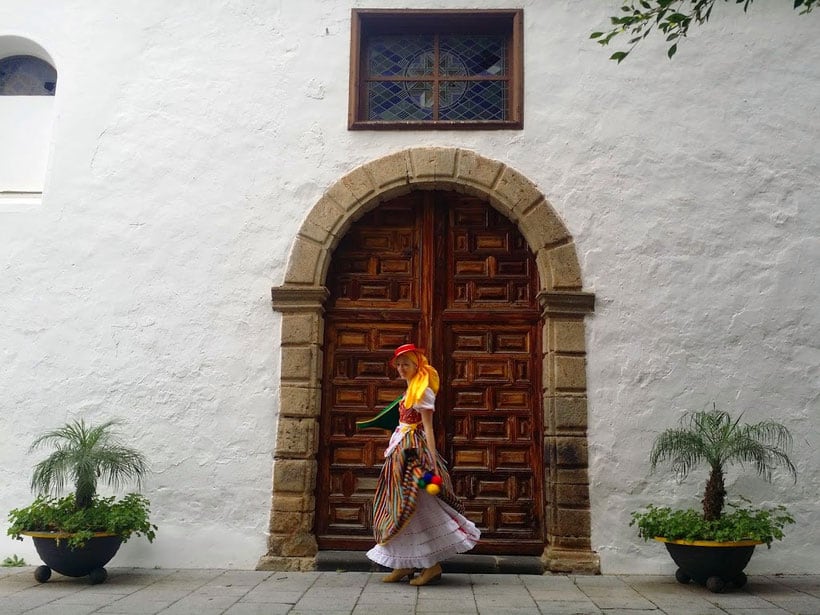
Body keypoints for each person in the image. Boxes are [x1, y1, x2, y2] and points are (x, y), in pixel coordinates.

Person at [366, 343, 480, 586]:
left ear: (416, 364)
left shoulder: (423, 391)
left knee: (417, 505)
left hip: (414, 455)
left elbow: (428, 426)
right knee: (399, 506)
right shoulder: (410, 388)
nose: (400, 368)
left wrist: (431, 458)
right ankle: (404, 563)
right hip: (401, 451)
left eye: (405, 364)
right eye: (398, 364)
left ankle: (431, 565)